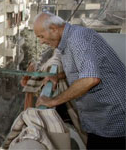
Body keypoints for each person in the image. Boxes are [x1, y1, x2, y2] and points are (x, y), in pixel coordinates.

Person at [33, 12, 125, 149]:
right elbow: (81, 69)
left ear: (53, 29)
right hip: (100, 119)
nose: (41, 41)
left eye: (41, 36)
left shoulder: (77, 39)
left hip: (113, 119)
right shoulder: (68, 40)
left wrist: (53, 101)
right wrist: (58, 76)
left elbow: (90, 78)